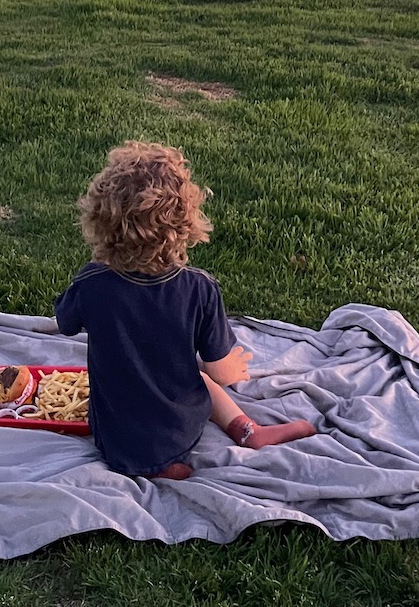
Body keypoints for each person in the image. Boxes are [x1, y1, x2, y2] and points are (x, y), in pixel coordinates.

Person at [54, 142, 317, 481]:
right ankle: (245, 431)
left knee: (139, 386)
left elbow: (65, 322)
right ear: (185, 224)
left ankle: (162, 459)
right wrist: (234, 368)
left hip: (113, 436)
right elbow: (219, 371)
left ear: (101, 220)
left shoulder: (92, 283)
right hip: (178, 431)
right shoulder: (199, 288)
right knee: (204, 380)